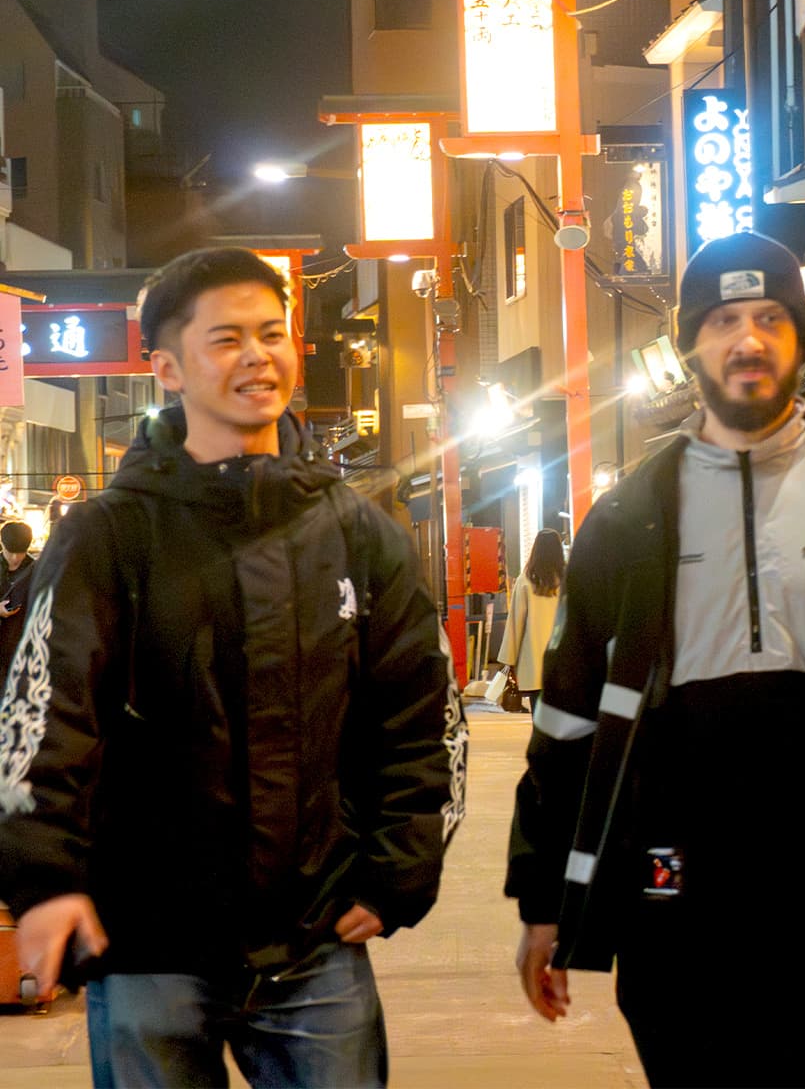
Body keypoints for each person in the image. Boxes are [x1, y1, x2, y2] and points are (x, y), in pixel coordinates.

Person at [506, 231, 805, 1088]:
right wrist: (543, 901)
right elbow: (567, 726)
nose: (748, 339)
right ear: (690, 343)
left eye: (771, 316)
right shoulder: (627, 522)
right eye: (725, 319)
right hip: (675, 884)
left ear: (800, 336)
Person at [0, 247, 467, 1088]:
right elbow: (44, 715)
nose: (258, 355)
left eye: (272, 333)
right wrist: (44, 879)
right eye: (227, 338)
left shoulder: (358, 532)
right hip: (146, 945)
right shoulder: (109, 535)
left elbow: (422, 712)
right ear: (167, 366)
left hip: (316, 940)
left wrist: (400, 864)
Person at [499, 527, 565, 711]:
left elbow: (515, 624)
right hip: (563, 664)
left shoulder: (525, 580)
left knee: (539, 719)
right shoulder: (568, 580)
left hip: (534, 664)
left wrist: (508, 660)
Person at [0, 519, 36, 690]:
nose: (15, 558)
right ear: (2, 544)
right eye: (10, 552)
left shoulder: (38, 570)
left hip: (23, 651)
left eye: (20, 553)